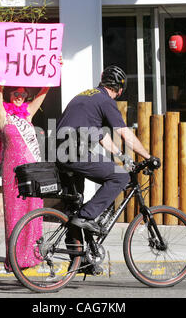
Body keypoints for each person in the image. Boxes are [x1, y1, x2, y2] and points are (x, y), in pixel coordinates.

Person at [56, 66, 160, 270]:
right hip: (75, 151)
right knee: (120, 178)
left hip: (60, 153)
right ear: (120, 90)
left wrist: (121, 157)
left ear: (102, 81)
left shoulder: (87, 96)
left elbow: (101, 136)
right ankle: (87, 216)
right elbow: (124, 133)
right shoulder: (105, 101)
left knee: (74, 208)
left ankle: (80, 261)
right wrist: (148, 157)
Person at [0, 82, 50, 271]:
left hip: (30, 169)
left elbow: (43, 91)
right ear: (9, 94)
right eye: (16, 93)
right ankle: (15, 258)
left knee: (33, 210)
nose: (20, 97)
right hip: (12, 171)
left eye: (24, 94)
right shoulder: (4, 117)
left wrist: (54, 70)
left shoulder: (28, 113)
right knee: (14, 213)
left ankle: (31, 255)